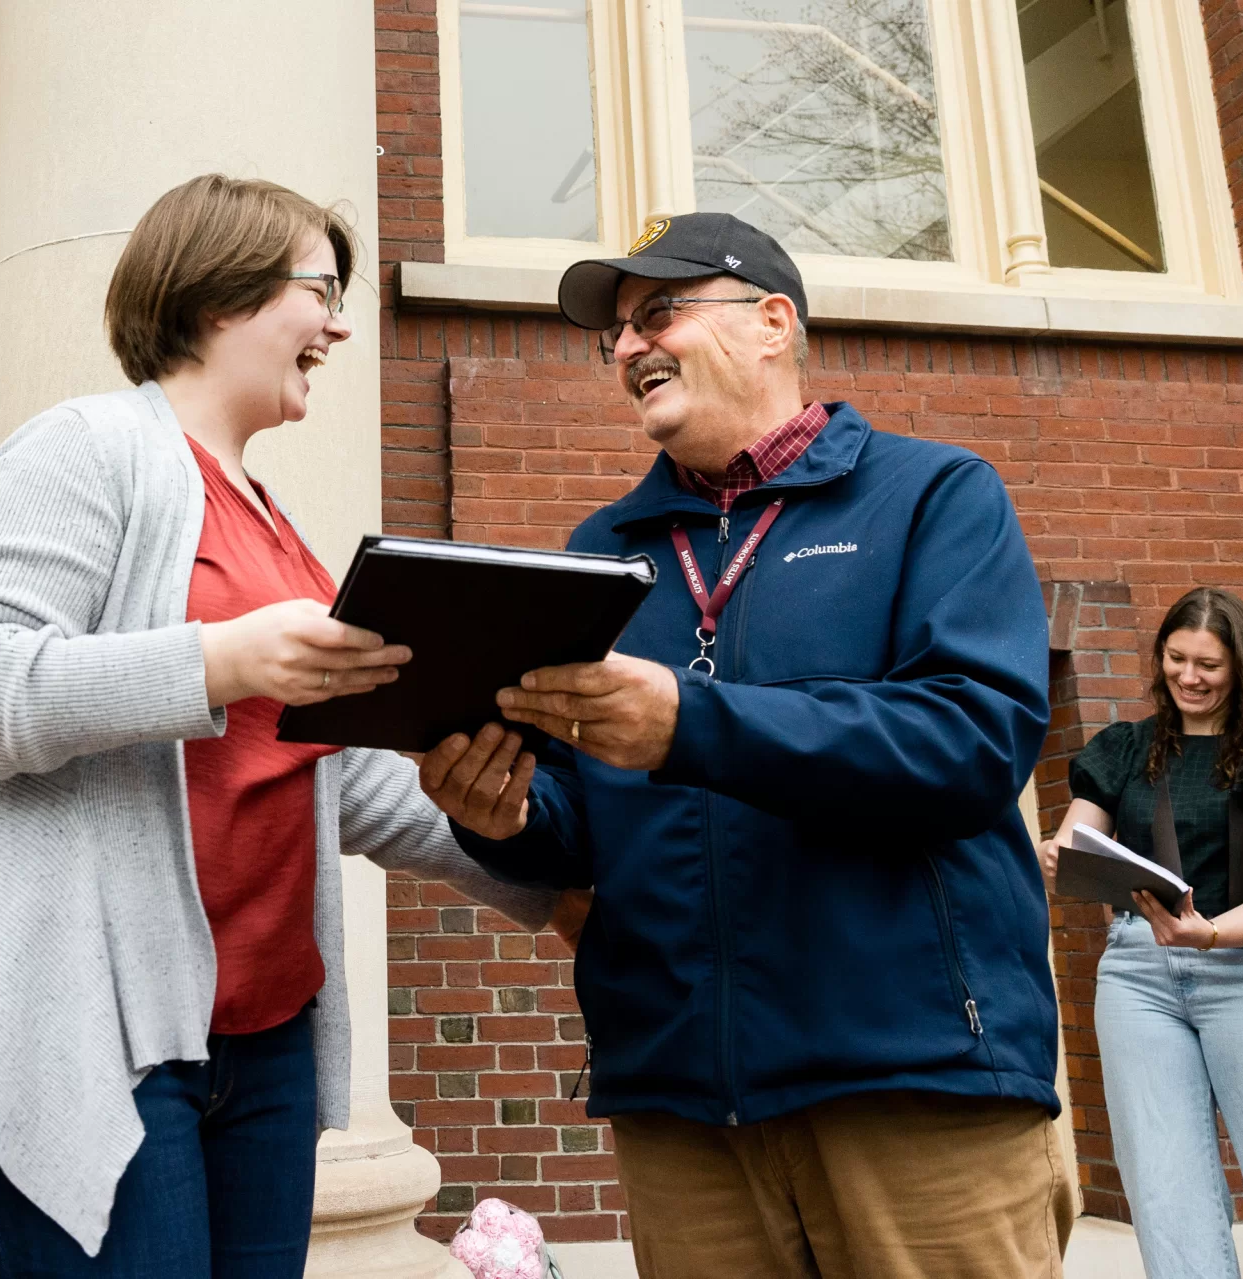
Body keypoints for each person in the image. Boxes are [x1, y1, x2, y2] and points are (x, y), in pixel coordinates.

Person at [0, 175, 553, 1278]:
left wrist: (545, 879)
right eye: (319, 290)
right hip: (75, 1035)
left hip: (259, 1049)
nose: (337, 324)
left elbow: (324, 775)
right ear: (219, 294)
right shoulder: (82, 448)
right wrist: (218, 660)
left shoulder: (277, 525)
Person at [418, 212, 1067, 1279]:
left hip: (911, 1087)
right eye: (614, 335)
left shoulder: (932, 496)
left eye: (657, 313)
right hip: (680, 1108)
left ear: (772, 323)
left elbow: (971, 743)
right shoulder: (599, 554)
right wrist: (507, 816)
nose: (626, 348)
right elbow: (582, 826)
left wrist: (690, 723)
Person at [1038, 587, 1243, 1279]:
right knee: (1164, 1187)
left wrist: (1212, 933)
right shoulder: (1124, 749)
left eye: (1208, 664)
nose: (1188, 676)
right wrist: (1057, 851)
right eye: (1175, 658)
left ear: (1241, 668)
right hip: (1136, 975)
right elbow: (1076, 841)